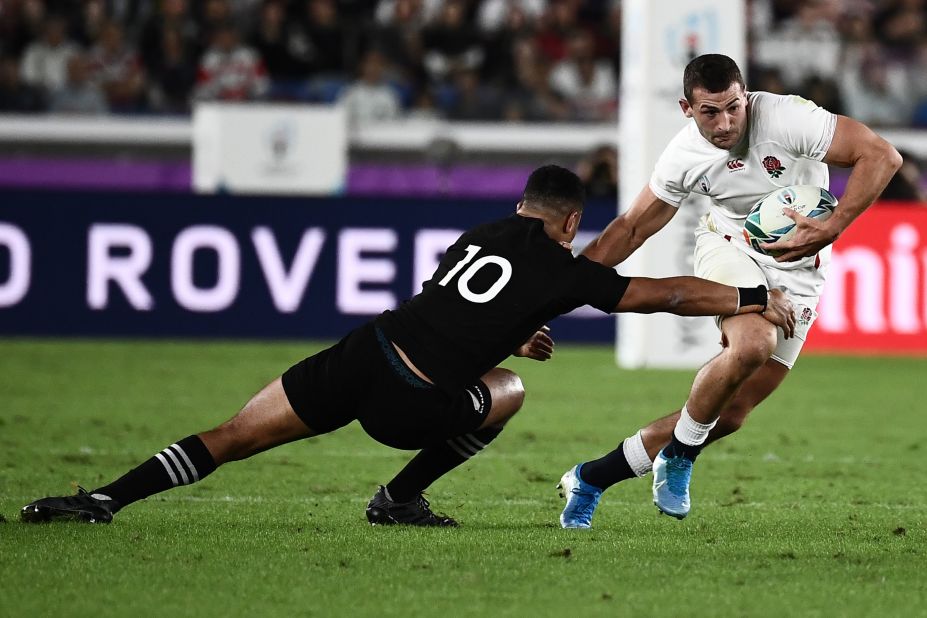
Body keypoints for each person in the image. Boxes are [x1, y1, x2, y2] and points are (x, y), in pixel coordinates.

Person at [21, 165, 794, 527]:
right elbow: (657, 295)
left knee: (233, 435)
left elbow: (460, 300)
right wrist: (752, 296)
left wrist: (508, 329)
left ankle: (102, 500)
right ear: (566, 222)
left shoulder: (477, 234)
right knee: (507, 393)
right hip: (412, 398)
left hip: (362, 352)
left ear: (520, 204)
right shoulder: (559, 266)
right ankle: (398, 499)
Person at [558, 54, 902, 528]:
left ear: (746, 97)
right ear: (686, 108)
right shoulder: (684, 156)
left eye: (733, 108)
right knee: (752, 344)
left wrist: (834, 225)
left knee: (732, 413)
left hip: (801, 264)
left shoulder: (788, 117)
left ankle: (592, 477)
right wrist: (557, 287)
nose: (725, 123)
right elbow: (632, 228)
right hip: (730, 245)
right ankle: (679, 456)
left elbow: (883, 155)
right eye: (710, 113)